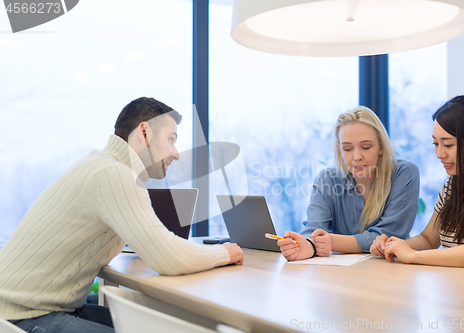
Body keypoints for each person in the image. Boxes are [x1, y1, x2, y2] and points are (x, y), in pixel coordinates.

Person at [0, 97, 244, 332]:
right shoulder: (113, 173)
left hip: (26, 309)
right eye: (171, 139)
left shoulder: (99, 165)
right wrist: (225, 252)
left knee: (151, 327)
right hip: (24, 316)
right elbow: (167, 258)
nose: (176, 153)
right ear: (144, 133)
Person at [370, 95, 464, 268]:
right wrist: (393, 246)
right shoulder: (452, 185)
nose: (439, 154)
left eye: (448, 145)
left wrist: (412, 255)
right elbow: (429, 239)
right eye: (436, 144)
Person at [278, 106, 420, 260]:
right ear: (339, 150)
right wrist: (307, 245)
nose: (357, 156)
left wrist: (330, 241)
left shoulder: (404, 174)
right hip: (343, 275)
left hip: (390, 270)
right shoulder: (327, 179)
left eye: (366, 147)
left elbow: (387, 236)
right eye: (347, 148)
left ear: (381, 146)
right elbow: (314, 230)